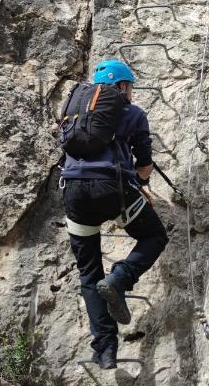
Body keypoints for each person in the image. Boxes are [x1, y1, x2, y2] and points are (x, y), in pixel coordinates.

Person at [61, 59, 168, 369]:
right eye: (130, 87)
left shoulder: (76, 113)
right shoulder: (131, 113)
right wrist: (142, 183)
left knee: (89, 271)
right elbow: (145, 165)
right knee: (154, 235)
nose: (131, 92)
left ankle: (105, 349)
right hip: (111, 190)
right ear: (122, 87)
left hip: (73, 191)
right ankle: (120, 278)